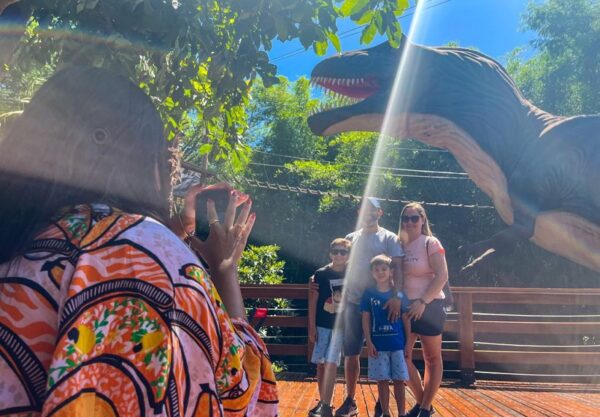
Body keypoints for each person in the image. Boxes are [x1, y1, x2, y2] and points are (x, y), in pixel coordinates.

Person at [0, 67, 277, 417]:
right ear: (141, 161)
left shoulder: (18, 240)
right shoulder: (148, 249)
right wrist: (224, 271)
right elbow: (241, 392)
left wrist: (170, 236)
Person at [335, 197, 404, 417]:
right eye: (365, 209)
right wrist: (319, 276)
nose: (369, 213)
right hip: (354, 302)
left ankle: (382, 404)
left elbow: (398, 269)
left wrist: (398, 296)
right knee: (351, 353)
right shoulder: (350, 238)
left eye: (373, 210)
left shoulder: (389, 238)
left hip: (382, 306)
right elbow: (339, 264)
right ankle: (350, 400)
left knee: (383, 351)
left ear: (380, 213)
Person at [398, 203, 449, 417]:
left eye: (414, 218)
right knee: (402, 357)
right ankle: (422, 403)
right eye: (406, 218)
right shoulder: (399, 244)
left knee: (432, 358)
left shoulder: (430, 242)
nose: (409, 222)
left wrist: (423, 301)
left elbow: (442, 275)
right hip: (405, 308)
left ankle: (426, 407)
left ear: (422, 220)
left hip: (430, 305)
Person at [361, 255, 410, 417]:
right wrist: (369, 342)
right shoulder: (368, 294)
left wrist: (408, 343)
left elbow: (406, 319)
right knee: (382, 381)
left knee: (399, 381)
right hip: (378, 346)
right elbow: (366, 318)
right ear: (371, 273)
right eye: (376, 270)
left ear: (391, 271)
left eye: (384, 269)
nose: (380, 272)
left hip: (397, 345)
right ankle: (386, 413)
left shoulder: (399, 294)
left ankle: (402, 413)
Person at [307, 238, 351, 417]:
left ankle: (326, 405)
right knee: (321, 364)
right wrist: (311, 327)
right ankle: (324, 401)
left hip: (341, 326)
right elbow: (313, 301)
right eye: (335, 251)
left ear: (349, 255)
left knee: (331, 363)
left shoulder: (352, 273)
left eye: (343, 252)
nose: (339, 255)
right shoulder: (321, 274)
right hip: (323, 324)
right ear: (330, 253)